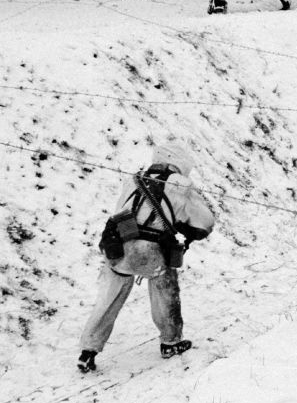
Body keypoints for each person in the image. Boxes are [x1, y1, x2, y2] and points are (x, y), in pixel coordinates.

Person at [77, 142, 216, 373]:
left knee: (108, 299)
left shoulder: (134, 178)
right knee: (165, 292)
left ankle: (88, 350)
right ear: (180, 162)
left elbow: (121, 212)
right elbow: (204, 222)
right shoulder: (182, 184)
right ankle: (170, 342)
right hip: (150, 251)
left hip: (118, 247)